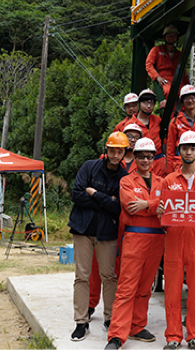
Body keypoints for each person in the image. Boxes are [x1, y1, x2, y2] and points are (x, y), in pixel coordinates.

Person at [159, 131, 195, 350]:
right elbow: (163, 218)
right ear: (180, 151)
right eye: (185, 148)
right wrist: (161, 211)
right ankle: (173, 336)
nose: (189, 151)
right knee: (172, 290)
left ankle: (194, 335)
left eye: (193, 148)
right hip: (174, 241)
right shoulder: (168, 181)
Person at [105, 138, 164, 350]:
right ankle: (116, 336)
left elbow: (168, 205)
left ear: (153, 158)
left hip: (157, 239)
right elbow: (131, 207)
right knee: (126, 287)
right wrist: (155, 208)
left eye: (149, 156)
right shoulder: (127, 181)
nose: (146, 160)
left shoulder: (161, 182)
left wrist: (146, 204)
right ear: (135, 158)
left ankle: (137, 326)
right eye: (141, 157)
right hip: (135, 238)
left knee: (145, 286)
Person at [69, 132, 126, 341]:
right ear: (106, 149)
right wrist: (105, 201)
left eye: (119, 151)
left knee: (109, 276)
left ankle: (110, 319)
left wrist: (94, 194)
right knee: (82, 276)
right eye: (112, 149)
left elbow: (118, 207)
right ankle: (81, 322)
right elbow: (76, 194)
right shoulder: (89, 167)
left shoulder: (123, 177)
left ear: (124, 153)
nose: (115, 154)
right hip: (83, 229)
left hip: (107, 233)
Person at [146, 24, 188, 103]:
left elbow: (183, 72)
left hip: (178, 82)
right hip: (165, 81)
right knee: (169, 92)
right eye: (168, 35)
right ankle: (170, 114)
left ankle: (184, 114)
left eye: (174, 35)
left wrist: (188, 85)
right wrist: (157, 77)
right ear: (164, 37)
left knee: (187, 94)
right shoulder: (156, 50)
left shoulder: (179, 54)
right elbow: (149, 65)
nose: (171, 37)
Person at [165, 85, 195, 172]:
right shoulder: (175, 122)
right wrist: (170, 172)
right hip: (180, 163)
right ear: (182, 101)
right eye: (186, 98)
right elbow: (170, 149)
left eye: (192, 97)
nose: (190, 100)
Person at [134, 89, 166, 176]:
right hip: (142, 163)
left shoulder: (157, 120)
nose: (149, 106)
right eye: (145, 102)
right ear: (139, 103)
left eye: (152, 103)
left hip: (159, 162)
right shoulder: (131, 124)